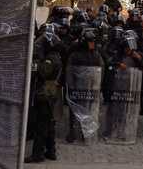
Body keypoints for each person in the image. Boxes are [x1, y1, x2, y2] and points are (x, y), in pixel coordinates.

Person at [26, 25, 64, 163]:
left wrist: (36, 59)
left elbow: (43, 72)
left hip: (46, 92)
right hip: (49, 91)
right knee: (48, 123)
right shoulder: (53, 56)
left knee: (41, 124)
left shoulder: (51, 58)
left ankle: (38, 155)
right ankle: (50, 151)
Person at [65, 28, 104, 143]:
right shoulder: (75, 55)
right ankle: (74, 133)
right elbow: (69, 70)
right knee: (76, 111)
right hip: (78, 88)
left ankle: (87, 133)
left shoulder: (96, 55)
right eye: (90, 41)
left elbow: (101, 69)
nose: (92, 44)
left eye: (93, 41)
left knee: (90, 111)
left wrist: (99, 84)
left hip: (91, 88)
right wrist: (71, 85)